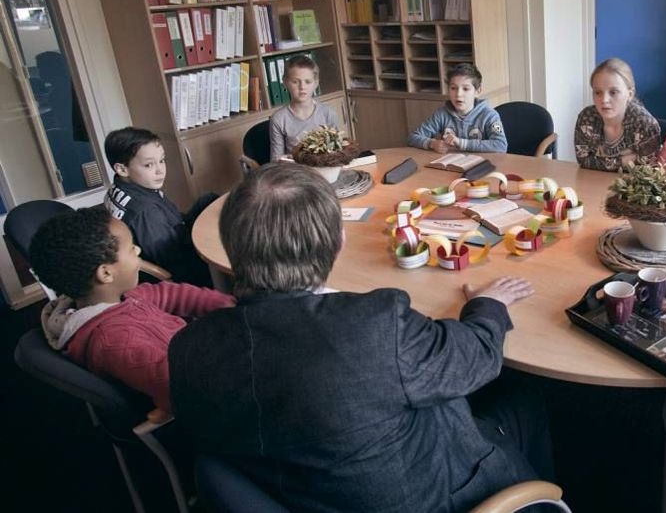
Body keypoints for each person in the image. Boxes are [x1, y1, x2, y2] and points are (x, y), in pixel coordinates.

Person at [168, 163, 552, 512]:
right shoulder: (374, 327)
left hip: (304, 494)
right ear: (339, 242)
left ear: (232, 249)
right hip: (440, 496)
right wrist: (487, 305)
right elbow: (476, 358)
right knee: (527, 398)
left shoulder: (188, 350)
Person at [31, 206, 233, 412]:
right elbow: (182, 388)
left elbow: (173, 294)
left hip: (198, 354)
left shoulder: (121, 298)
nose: (138, 250)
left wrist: (231, 306)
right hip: (212, 392)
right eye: (131, 248)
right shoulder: (115, 342)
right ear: (106, 274)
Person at [104, 126, 215, 286]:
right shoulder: (145, 211)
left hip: (171, 231)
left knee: (208, 199)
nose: (160, 170)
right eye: (149, 165)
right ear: (122, 169)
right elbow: (171, 259)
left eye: (162, 161)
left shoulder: (119, 188)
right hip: (178, 268)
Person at [574, 58, 660, 171]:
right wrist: (625, 160)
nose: (604, 100)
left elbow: (649, 170)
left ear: (630, 94)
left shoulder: (645, 124)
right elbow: (584, 161)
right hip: (594, 182)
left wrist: (600, 162)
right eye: (598, 92)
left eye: (613, 92)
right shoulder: (586, 118)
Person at [407, 63, 508, 153]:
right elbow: (413, 137)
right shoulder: (441, 114)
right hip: (451, 166)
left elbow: (501, 145)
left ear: (478, 91)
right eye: (453, 88)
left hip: (482, 167)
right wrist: (432, 143)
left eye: (465, 89)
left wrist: (462, 143)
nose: (458, 94)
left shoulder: (490, 116)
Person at [269, 54, 341, 161]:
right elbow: (276, 160)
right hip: (296, 172)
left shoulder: (328, 114)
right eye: (295, 82)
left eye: (308, 82)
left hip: (325, 168)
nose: (302, 87)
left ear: (316, 83)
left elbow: (338, 151)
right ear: (285, 82)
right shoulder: (279, 119)